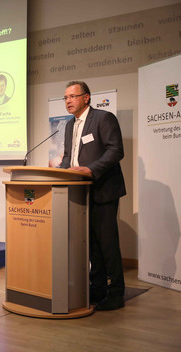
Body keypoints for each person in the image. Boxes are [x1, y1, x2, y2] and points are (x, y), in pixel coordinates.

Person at [60, 81, 126, 311]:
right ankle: (98, 289)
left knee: (107, 244)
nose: (68, 101)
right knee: (92, 246)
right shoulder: (70, 126)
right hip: (81, 192)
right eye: (65, 97)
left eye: (72, 96)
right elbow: (69, 158)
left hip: (103, 190)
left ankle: (117, 293)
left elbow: (116, 150)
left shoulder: (103, 118)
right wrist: (58, 172)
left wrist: (91, 169)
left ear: (86, 98)